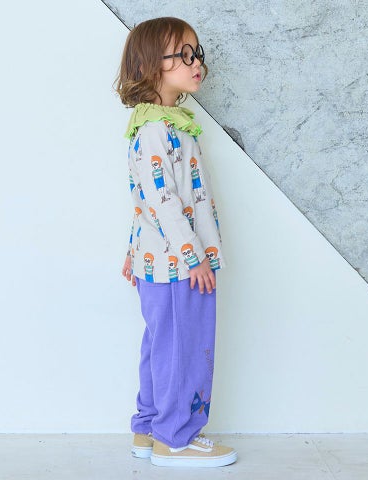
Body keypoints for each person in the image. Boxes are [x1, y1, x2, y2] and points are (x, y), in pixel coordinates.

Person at [114, 17, 237, 468]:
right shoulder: (156, 130)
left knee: (162, 347)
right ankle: (177, 438)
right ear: (152, 66)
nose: (196, 61)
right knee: (183, 350)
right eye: (183, 55)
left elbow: (147, 198)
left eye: (196, 52)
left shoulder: (160, 124)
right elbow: (164, 203)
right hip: (180, 266)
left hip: (161, 261)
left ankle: (149, 429)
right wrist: (195, 258)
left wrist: (133, 252)